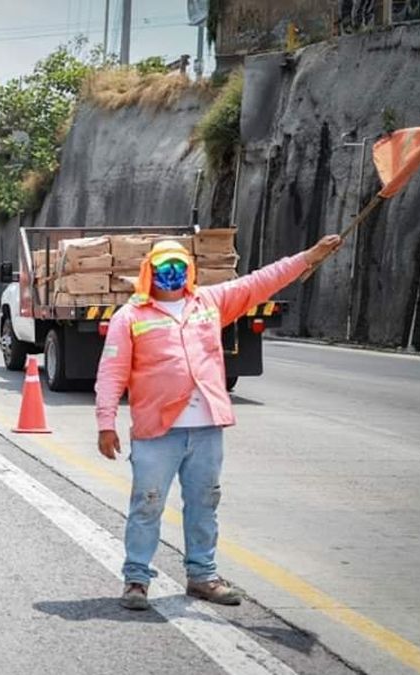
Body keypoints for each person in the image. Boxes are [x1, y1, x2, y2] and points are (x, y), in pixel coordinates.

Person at [95, 234, 343, 611]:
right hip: (157, 431)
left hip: (206, 428)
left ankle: (202, 576)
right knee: (147, 504)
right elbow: (112, 371)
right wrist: (106, 422)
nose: (172, 275)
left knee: (204, 502)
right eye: (164, 268)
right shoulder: (131, 316)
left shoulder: (208, 304)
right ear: (149, 272)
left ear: (190, 271)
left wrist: (310, 256)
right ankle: (136, 580)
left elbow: (261, 281)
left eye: (180, 267)